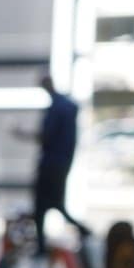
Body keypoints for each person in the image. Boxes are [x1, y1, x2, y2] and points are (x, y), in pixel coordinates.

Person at [22, 74, 89, 242]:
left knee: (43, 205)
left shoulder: (57, 108)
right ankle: (81, 231)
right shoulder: (66, 106)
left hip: (52, 163)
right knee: (53, 203)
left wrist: (22, 134)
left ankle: (42, 246)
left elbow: (46, 136)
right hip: (61, 162)